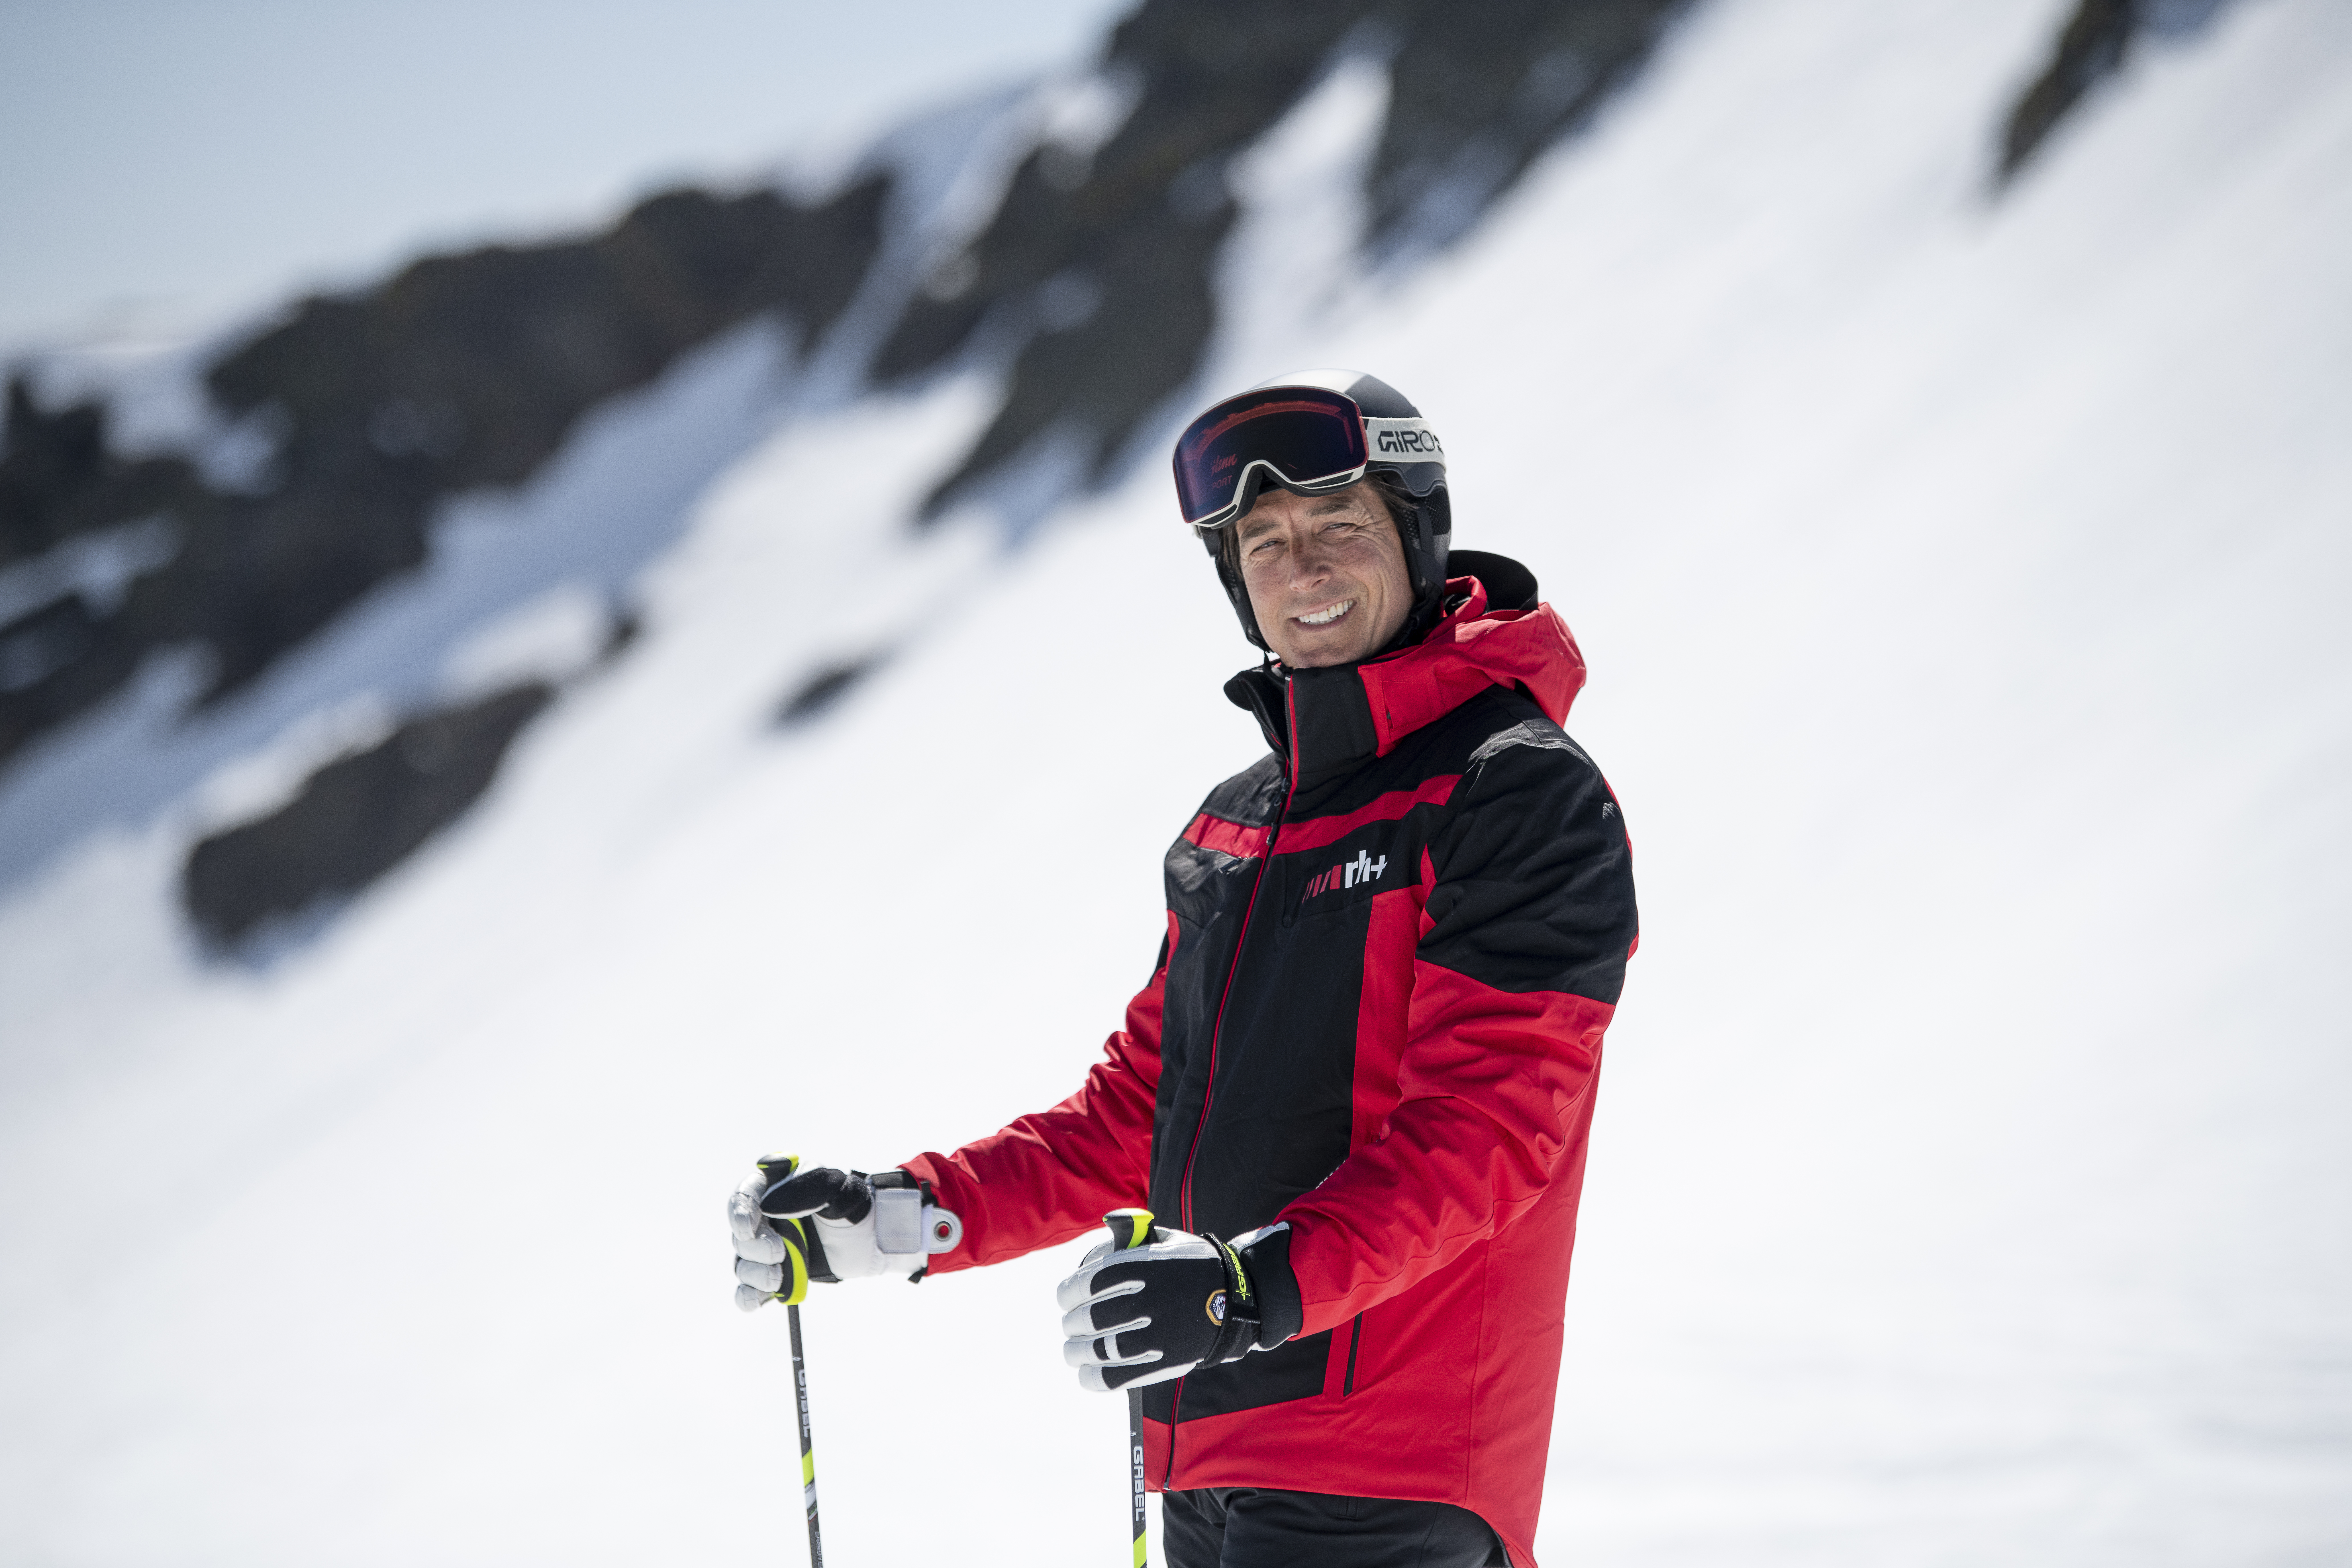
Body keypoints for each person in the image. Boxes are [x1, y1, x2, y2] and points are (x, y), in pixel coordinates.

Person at [729, 370, 1638, 1568]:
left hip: (1386, 1467)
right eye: (1263, 544)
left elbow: (1492, 1129)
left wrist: (1246, 1286)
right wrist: (902, 1216)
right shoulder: (1241, 822)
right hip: (1209, 1448)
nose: (1303, 571)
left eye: (1339, 529)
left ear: (1419, 537)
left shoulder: (1511, 786)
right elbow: (1140, 1117)